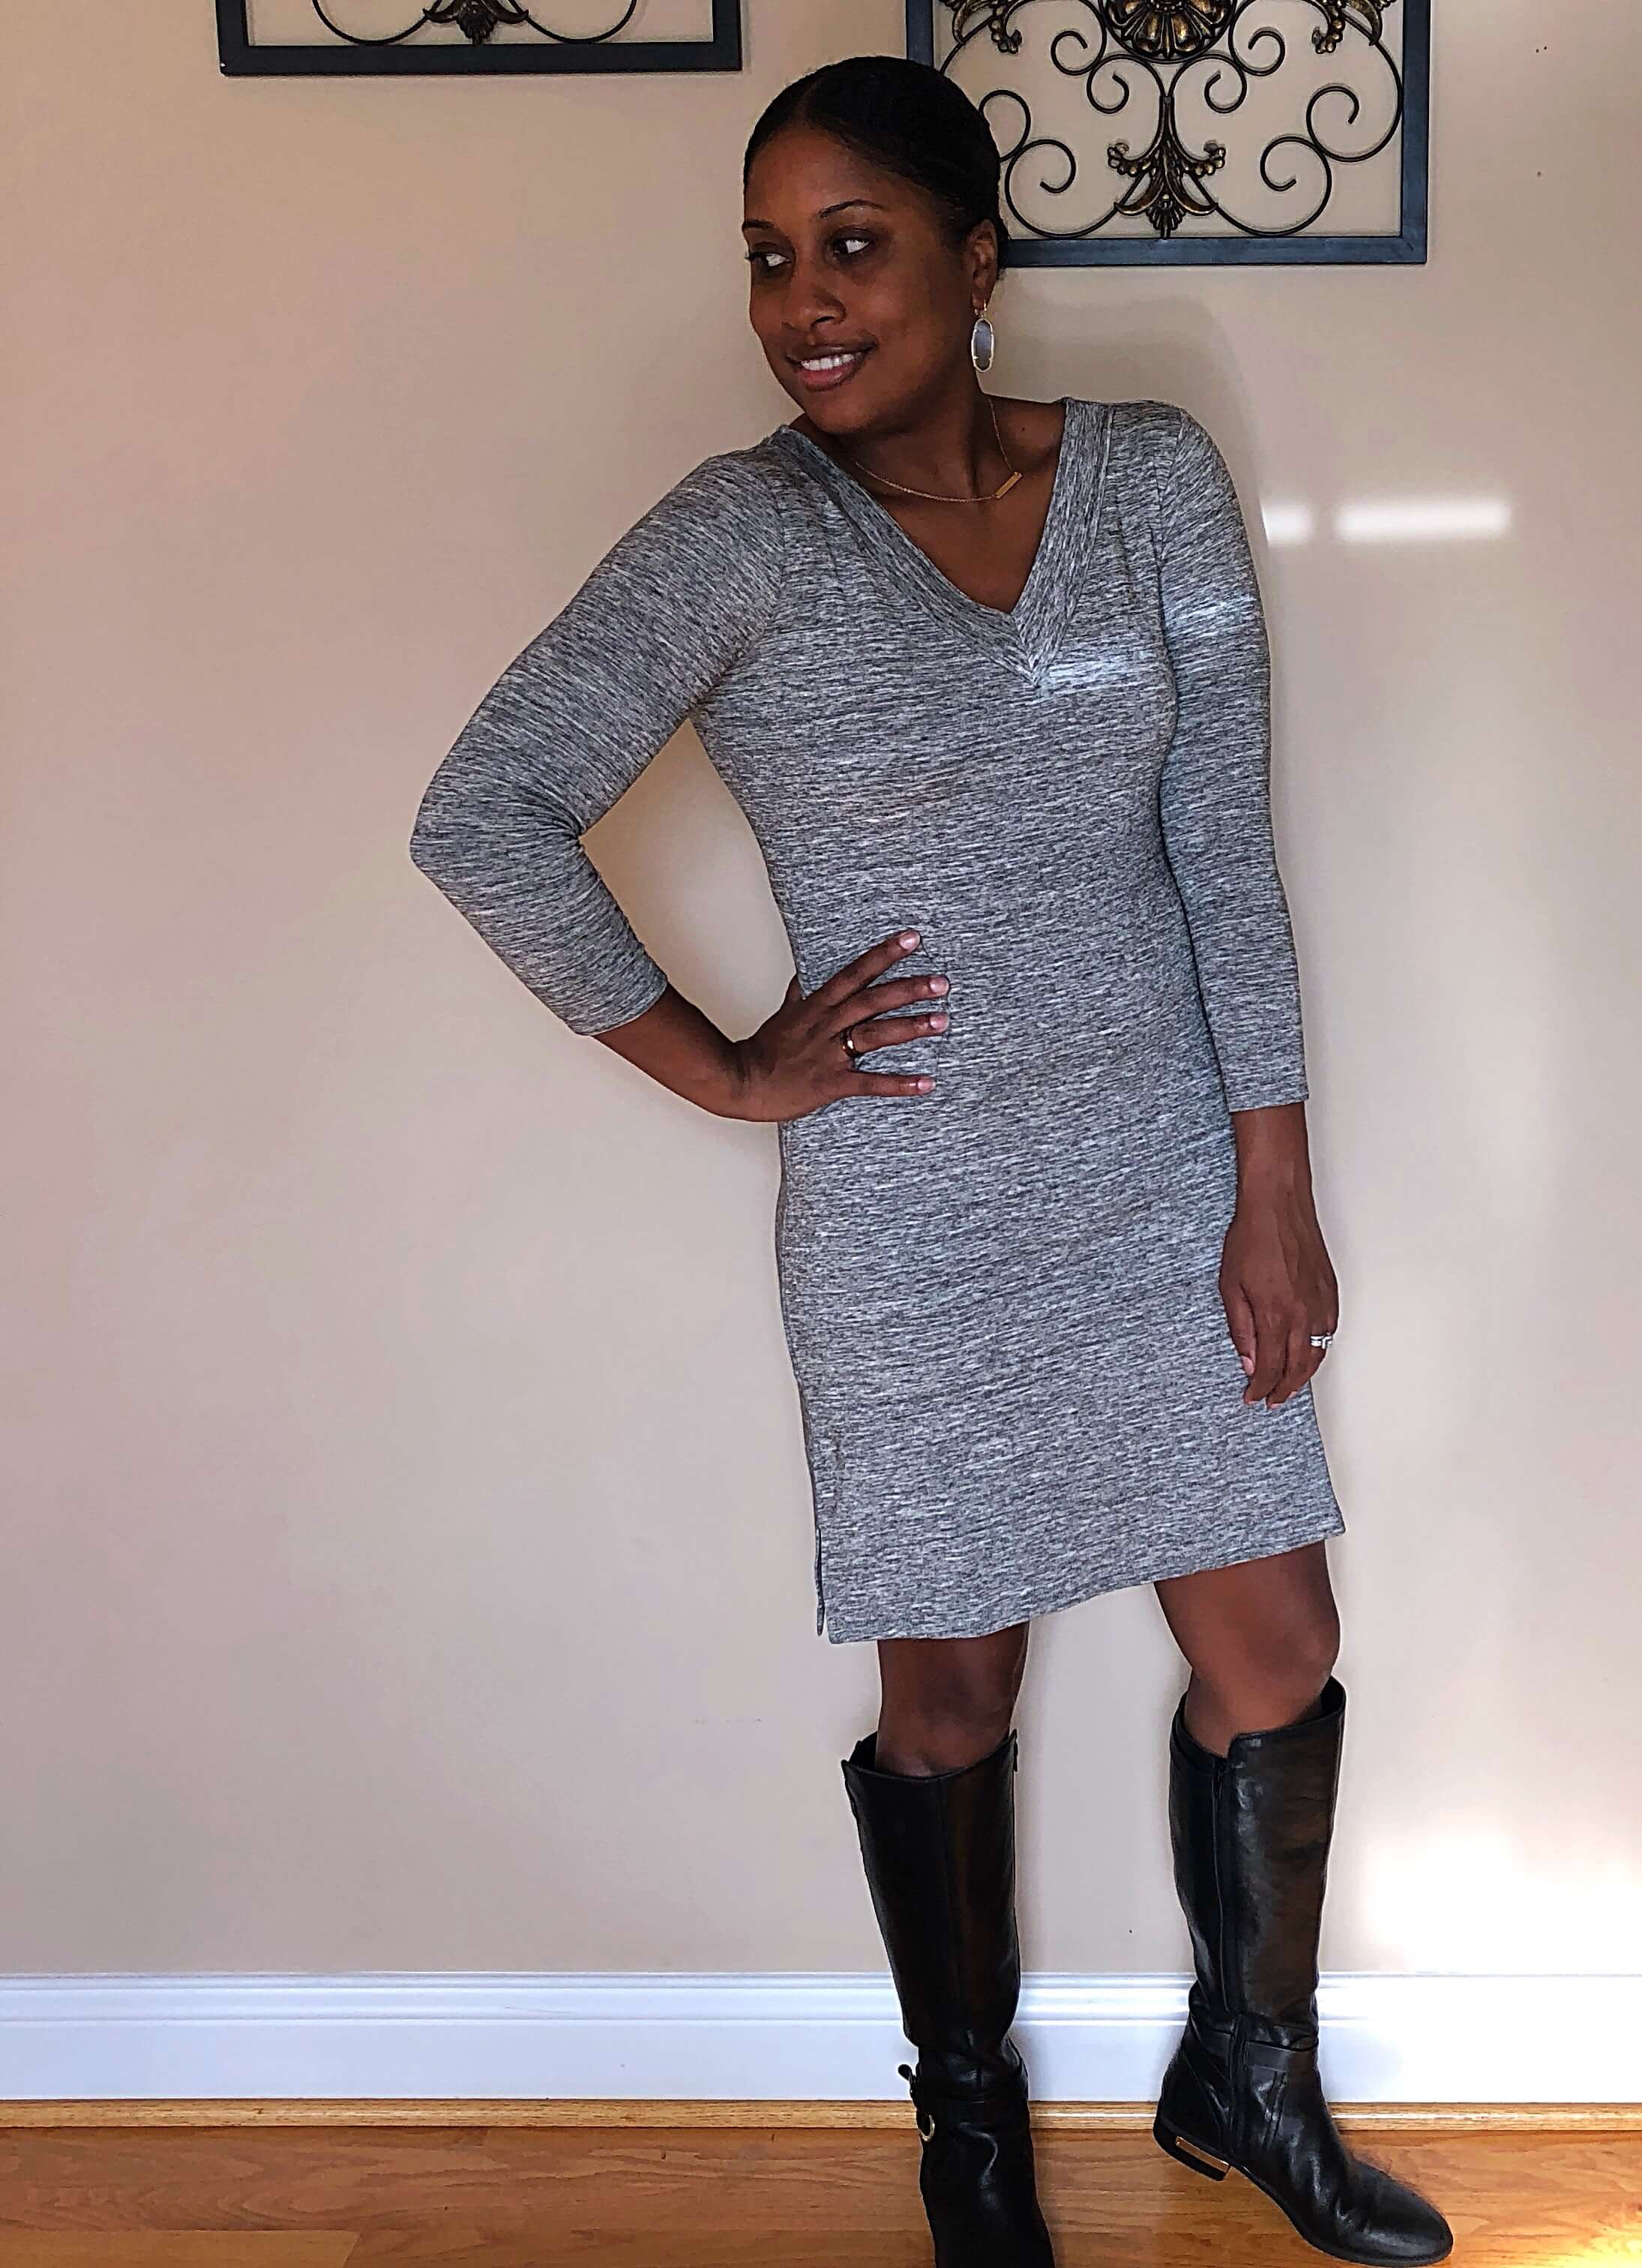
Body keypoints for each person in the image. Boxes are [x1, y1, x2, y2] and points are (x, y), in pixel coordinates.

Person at [407, 51, 1451, 2268]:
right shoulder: (734, 539)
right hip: (913, 1222)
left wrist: (1272, 1187)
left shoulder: (1148, 482)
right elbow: (482, 810)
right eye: (769, 259)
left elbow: (1222, 854)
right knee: (951, 1695)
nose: (803, 301)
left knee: (1278, 1641)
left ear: (979, 260)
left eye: (854, 246)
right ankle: (970, 2144)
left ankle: (1247, 2079)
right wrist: (726, 1072)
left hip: (1164, 1176)